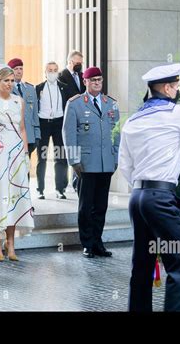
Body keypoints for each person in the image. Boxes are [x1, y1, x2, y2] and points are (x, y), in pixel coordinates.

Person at [119, 63, 180, 312]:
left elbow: (125, 167)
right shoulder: (176, 113)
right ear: (167, 87)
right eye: (176, 86)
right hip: (160, 199)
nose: (177, 90)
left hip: (137, 198)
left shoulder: (132, 119)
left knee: (142, 265)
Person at [0, 65, 35, 262]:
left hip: (17, 154)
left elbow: (23, 129)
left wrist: (26, 155)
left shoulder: (19, 101)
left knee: (13, 197)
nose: (10, 84)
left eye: (12, 80)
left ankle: (11, 244)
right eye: (6, 81)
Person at [62, 67, 119, 258]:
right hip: (85, 162)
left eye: (99, 80)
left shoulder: (110, 103)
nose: (97, 83)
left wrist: (116, 156)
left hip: (106, 162)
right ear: (85, 82)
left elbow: (117, 133)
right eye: (93, 80)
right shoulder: (76, 104)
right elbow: (69, 134)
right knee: (86, 206)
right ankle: (87, 243)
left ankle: (98, 242)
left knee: (101, 206)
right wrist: (74, 160)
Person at [35, 61, 69, 199]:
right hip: (43, 123)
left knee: (60, 156)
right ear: (45, 72)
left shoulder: (64, 88)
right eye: (50, 70)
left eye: (55, 70)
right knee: (41, 157)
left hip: (59, 123)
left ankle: (60, 189)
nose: (52, 73)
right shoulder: (38, 88)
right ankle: (40, 189)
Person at [59, 50, 86, 191]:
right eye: (77, 63)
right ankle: (63, 185)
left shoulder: (82, 77)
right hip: (67, 117)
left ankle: (77, 181)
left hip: (82, 118)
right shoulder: (61, 77)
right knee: (66, 152)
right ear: (70, 62)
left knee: (80, 150)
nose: (80, 66)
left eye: (81, 63)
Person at [7, 58, 40, 158]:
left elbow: (35, 113)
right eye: (15, 68)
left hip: (29, 136)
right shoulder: (6, 88)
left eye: (21, 68)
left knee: (26, 169)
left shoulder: (30, 89)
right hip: (13, 136)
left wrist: (37, 135)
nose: (19, 71)